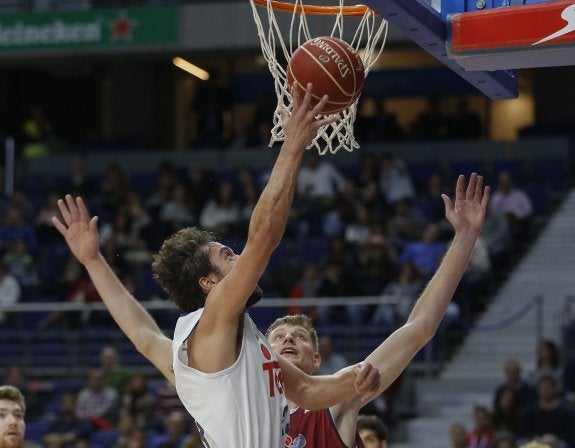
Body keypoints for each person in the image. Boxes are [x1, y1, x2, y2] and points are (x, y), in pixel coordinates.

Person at [52, 84, 380, 448]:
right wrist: (293, 146)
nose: (238, 257)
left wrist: (94, 261)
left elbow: (304, 389)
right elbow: (264, 238)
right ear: (209, 283)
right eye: (227, 255)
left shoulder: (223, 341)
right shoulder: (216, 319)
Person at [265, 172, 490, 448]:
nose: (288, 339)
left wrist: (464, 238)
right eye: (278, 336)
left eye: (299, 336)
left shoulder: (337, 399)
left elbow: (419, 329)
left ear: (316, 359)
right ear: (264, 357)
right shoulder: (249, 419)